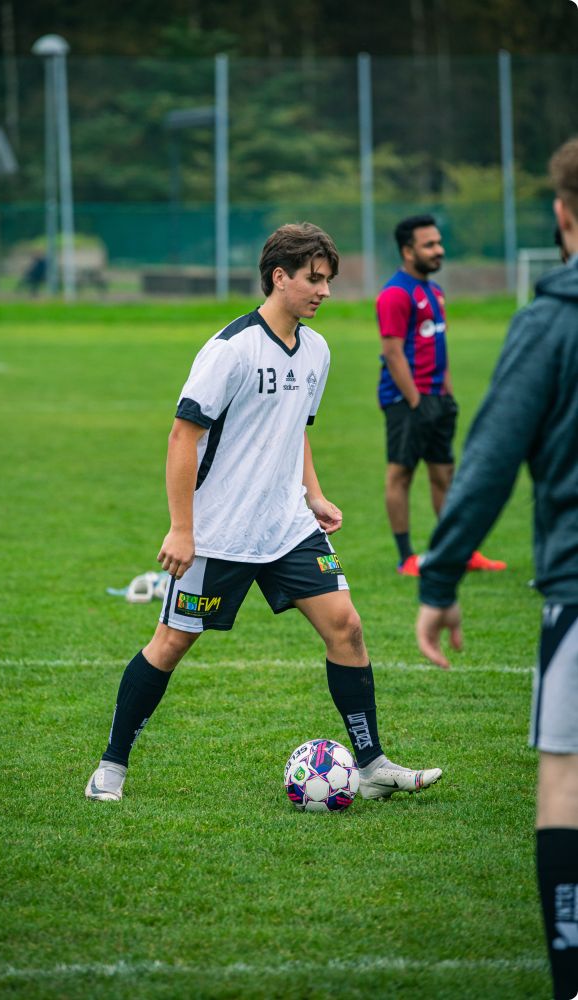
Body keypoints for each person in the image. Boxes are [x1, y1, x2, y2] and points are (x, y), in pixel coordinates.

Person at [86, 222, 443, 804]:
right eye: (314, 279)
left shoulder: (317, 350)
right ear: (279, 277)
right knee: (170, 644)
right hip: (220, 532)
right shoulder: (231, 349)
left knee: (347, 627)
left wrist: (313, 494)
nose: (325, 291)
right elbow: (182, 436)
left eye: (328, 280)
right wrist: (182, 528)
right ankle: (111, 766)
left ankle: (373, 764)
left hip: (288, 527)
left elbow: (294, 431)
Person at [416, 139, 578, 1000]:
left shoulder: (551, 322)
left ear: (561, 214)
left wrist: (439, 580)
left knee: (567, 779)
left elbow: (486, 464)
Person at [375, 214, 507, 577]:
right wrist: (415, 400)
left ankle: (460, 551)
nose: (439, 250)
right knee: (401, 474)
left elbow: (437, 346)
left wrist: (445, 392)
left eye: (439, 243)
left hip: (438, 397)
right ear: (408, 251)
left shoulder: (434, 292)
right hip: (406, 400)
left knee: (444, 475)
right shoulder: (395, 294)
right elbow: (392, 352)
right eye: (429, 245)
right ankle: (407, 558)